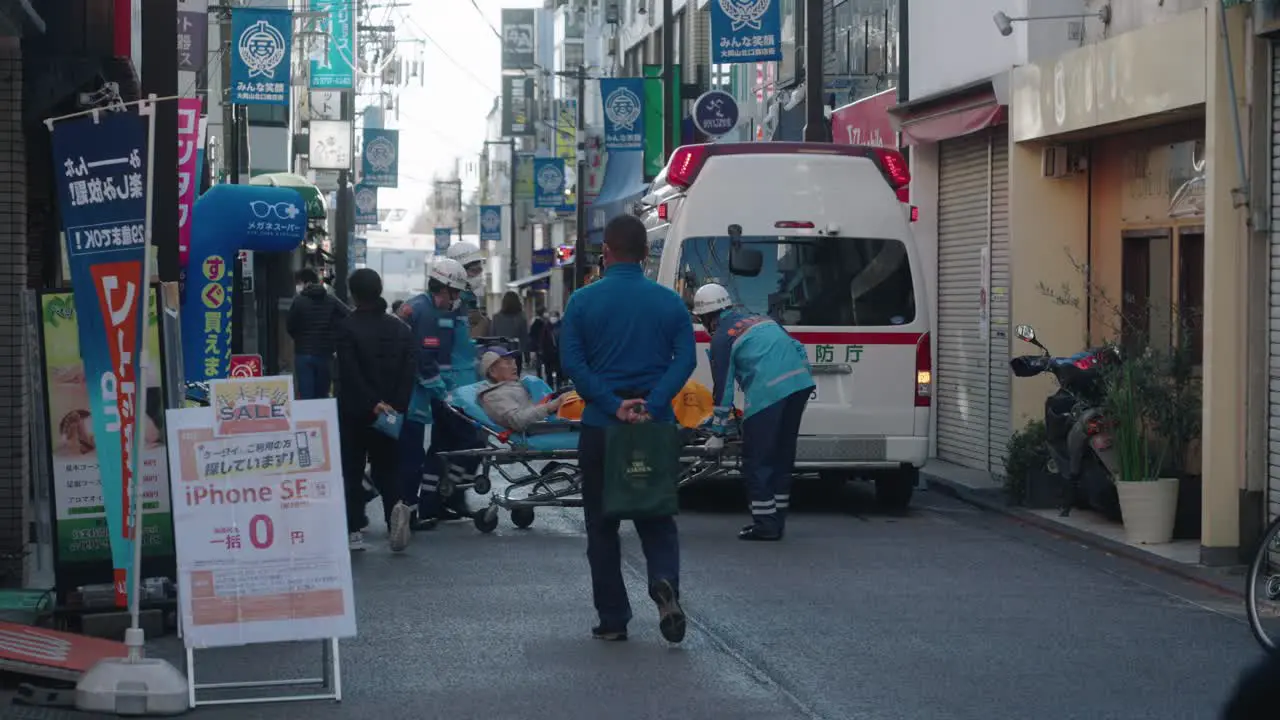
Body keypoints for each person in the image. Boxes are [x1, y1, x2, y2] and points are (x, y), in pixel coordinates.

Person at [559, 214, 696, 644]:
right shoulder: (669, 301)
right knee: (656, 518)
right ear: (644, 254)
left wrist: (613, 405)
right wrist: (654, 404)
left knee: (601, 526)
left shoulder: (582, 301)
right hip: (655, 427)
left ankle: (614, 620)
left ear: (607, 252)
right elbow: (686, 360)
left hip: (602, 426)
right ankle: (663, 580)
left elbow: (573, 365)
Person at [694, 282, 815, 542]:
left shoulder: (723, 337)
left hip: (769, 392)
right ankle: (776, 519)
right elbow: (797, 347)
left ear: (707, 317)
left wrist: (717, 431)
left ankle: (765, 525)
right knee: (782, 457)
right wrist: (799, 381)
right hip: (800, 384)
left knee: (757, 459)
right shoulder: (762, 319)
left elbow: (723, 387)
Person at [387, 258, 475, 551]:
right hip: (409, 398)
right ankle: (407, 512)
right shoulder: (424, 312)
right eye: (456, 293)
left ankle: (407, 509)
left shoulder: (422, 307)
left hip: (409, 394)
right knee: (409, 457)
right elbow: (425, 360)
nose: (457, 299)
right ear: (445, 287)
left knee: (402, 456)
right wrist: (442, 389)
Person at [335, 268, 415, 551]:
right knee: (388, 469)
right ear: (379, 290)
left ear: (354, 294)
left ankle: (354, 529)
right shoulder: (400, 329)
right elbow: (409, 373)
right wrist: (394, 405)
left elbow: (349, 373)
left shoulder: (346, 328)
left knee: (352, 469)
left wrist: (371, 403)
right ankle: (396, 515)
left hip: (355, 412)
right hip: (391, 413)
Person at [287, 268, 349, 399]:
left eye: (298, 283)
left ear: (305, 282)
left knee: (306, 395)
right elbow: (348, 317)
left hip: (303, 353)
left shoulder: (298, 301)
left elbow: (290, 326)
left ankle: (307, 419)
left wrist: (300, 339)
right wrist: (334, 337)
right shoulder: (331, 300)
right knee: (322, 395)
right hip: (325, 354)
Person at [477, 347, 563, 432]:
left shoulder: (516, 385)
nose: (515, 367)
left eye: (514, 362)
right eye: (508, 363)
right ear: (493, 371)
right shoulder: (493, 396)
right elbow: (517, 421)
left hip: (554, 421)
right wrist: (553, 405)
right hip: (547, 429)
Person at [446, 241, 491, 337]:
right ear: (458, 272)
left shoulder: (469, 295)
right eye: (474, 270)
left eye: (480, 269)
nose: (478, 276)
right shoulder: (451, 298)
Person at [490, 292, 530, 362]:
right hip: (515, 354)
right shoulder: (521, 318)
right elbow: (524, 339)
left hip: (499, 353)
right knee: (514, 372)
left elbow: (492, 337)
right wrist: (527, 356)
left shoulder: (496, 318)